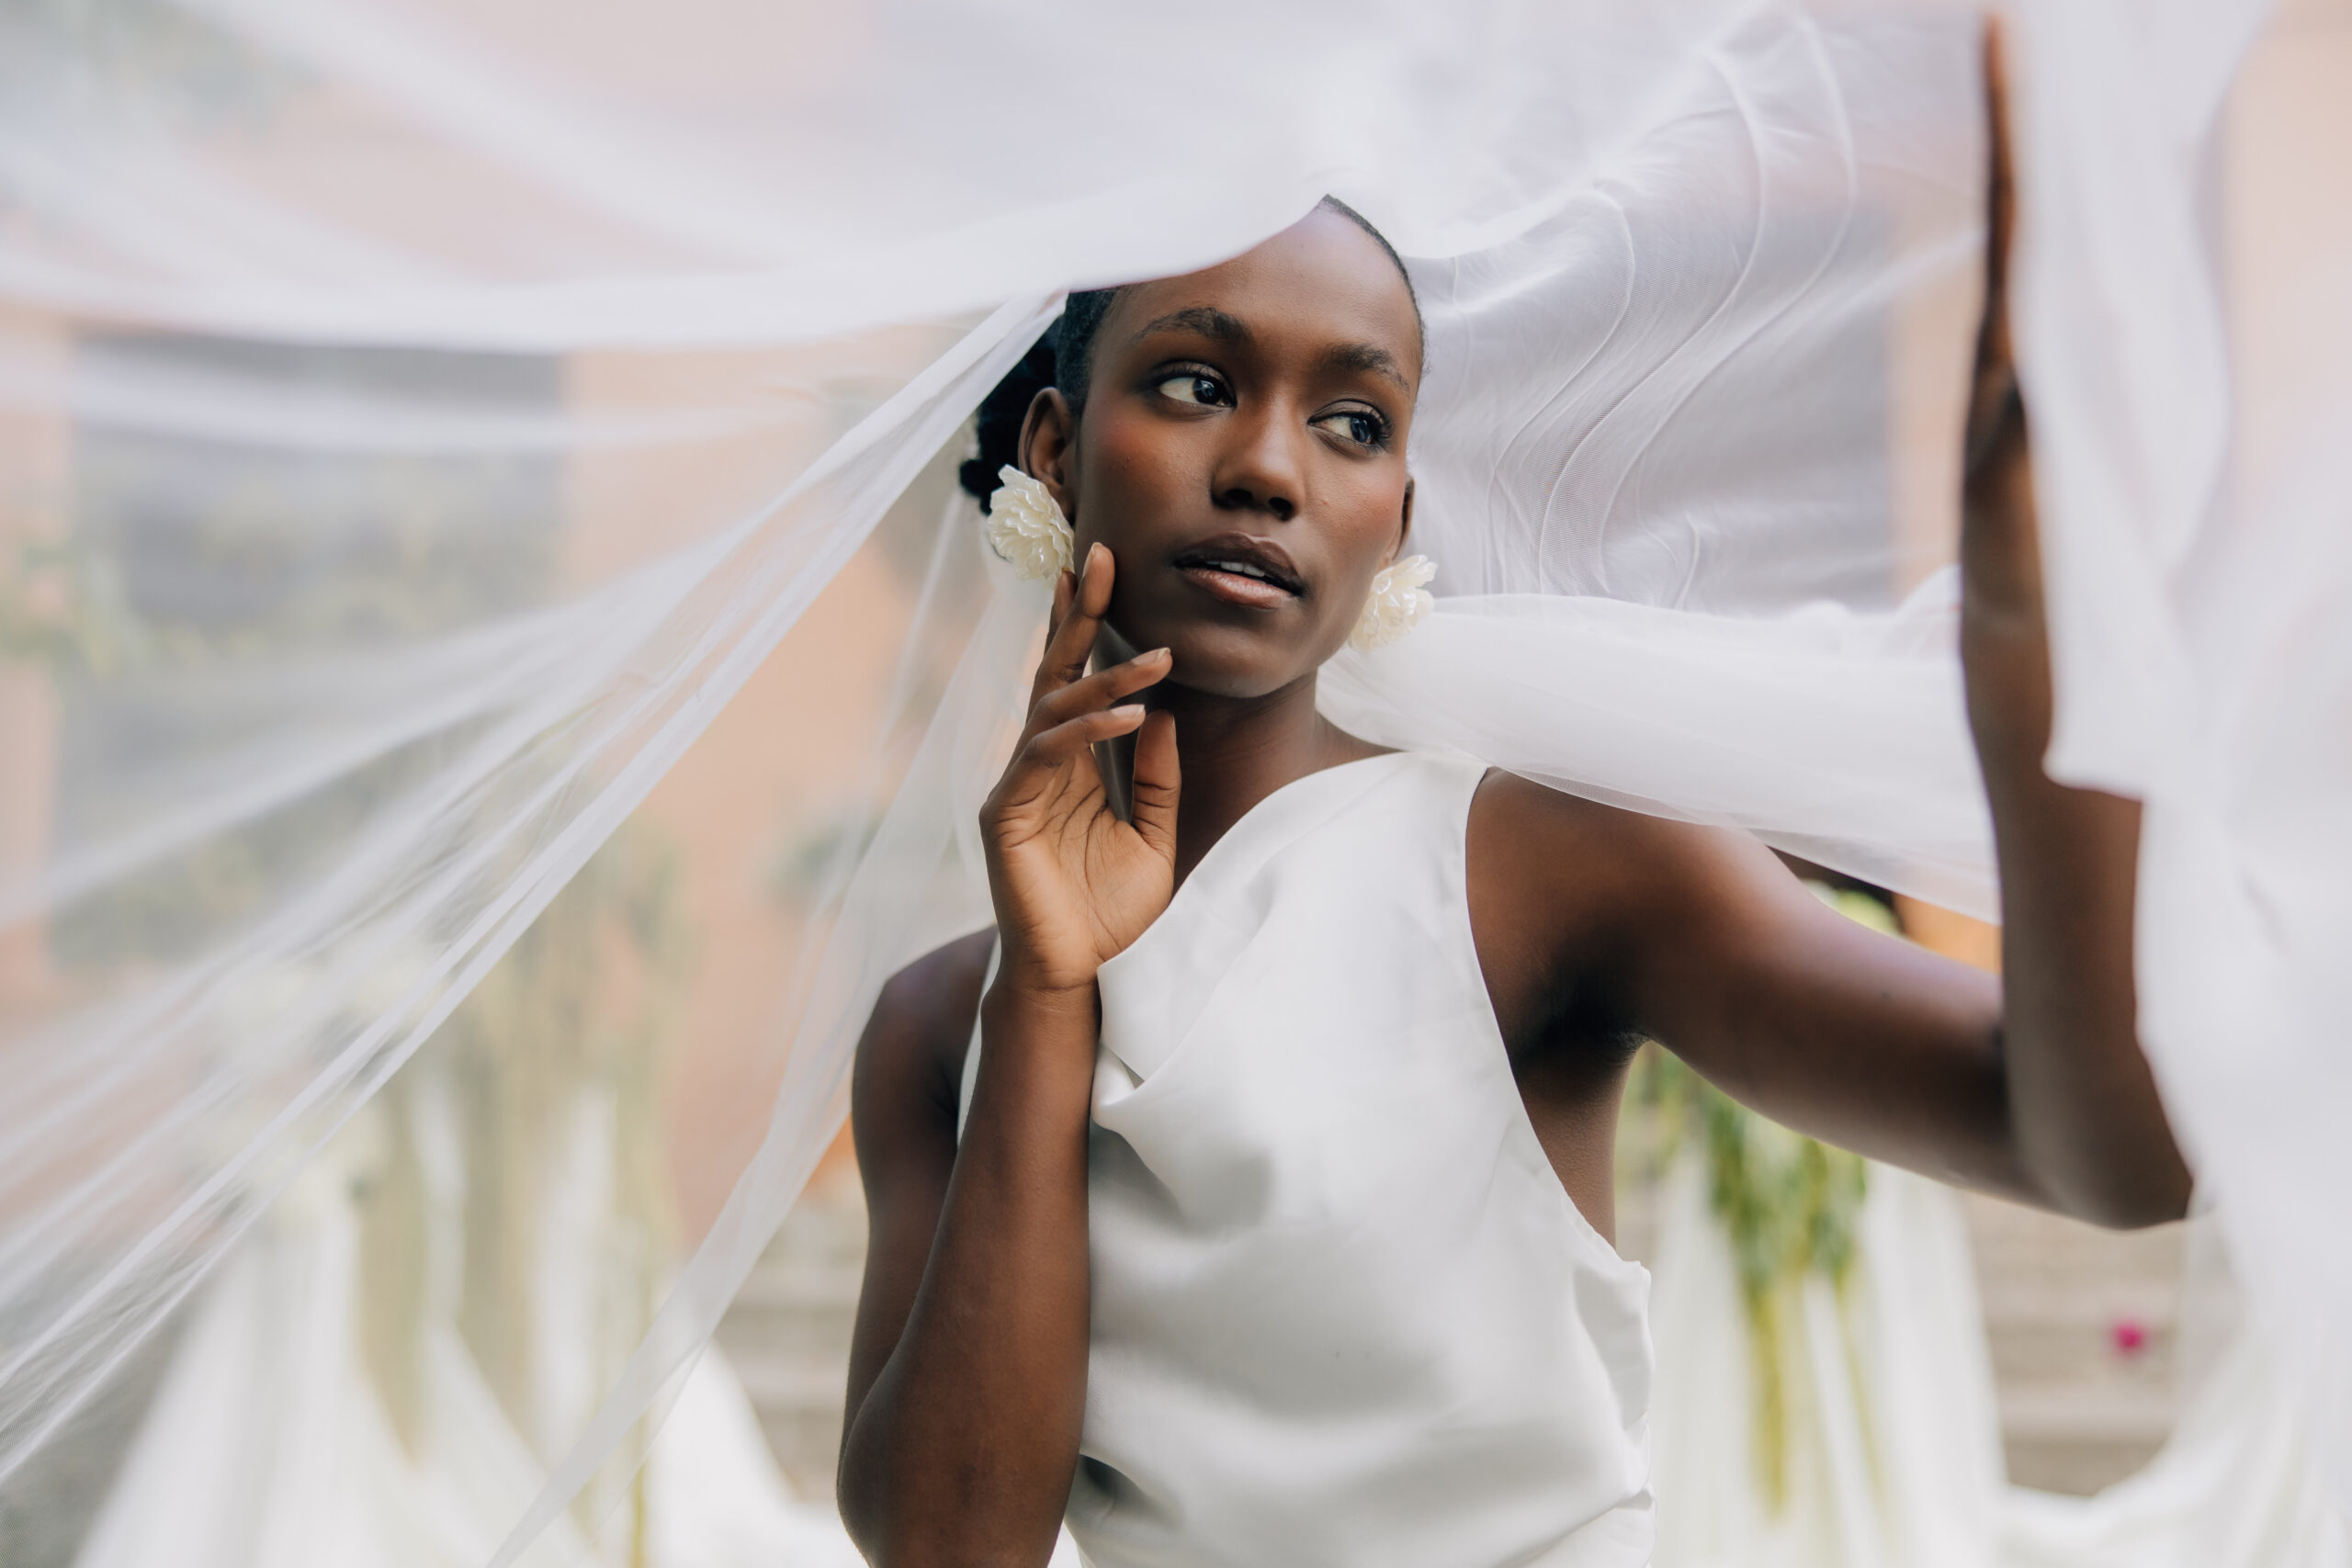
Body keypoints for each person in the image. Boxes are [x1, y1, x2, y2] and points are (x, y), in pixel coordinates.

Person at [835, 45, 2189, 1568]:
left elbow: (2109, 1160)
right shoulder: (939, 1028)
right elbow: (953, 1551)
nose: (1273, 467)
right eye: (1198, 383)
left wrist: (2030, 636)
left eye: (1356, 422)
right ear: (1055, 448)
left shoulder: (1539, 866)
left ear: (1399, 512)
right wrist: (1049, 993)